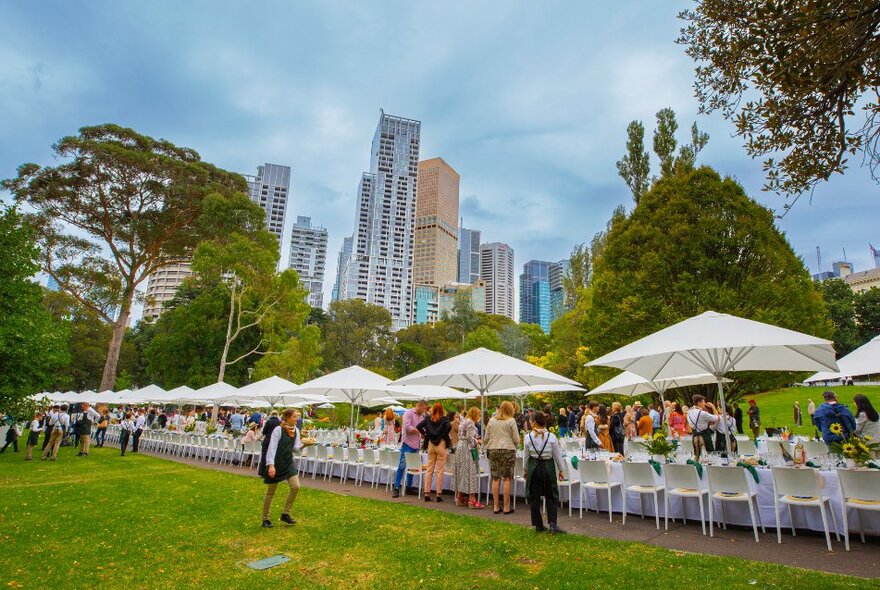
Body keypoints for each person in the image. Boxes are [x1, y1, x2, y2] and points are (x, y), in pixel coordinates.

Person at [260, 409, 304, 528]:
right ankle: (265, 519)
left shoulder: (297, 431)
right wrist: (271, 465)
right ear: (287, 417)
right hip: (276, 462)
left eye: (297, 417)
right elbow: (272, 448)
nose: (297, 419)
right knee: (270, 492)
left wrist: (305, 445)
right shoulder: (278, 430)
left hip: (288, 462)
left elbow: (295, 448)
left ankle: (285, 514)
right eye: (295, 417)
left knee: (296, 486)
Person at [524, 411, 566, 534]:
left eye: (531, 421)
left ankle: (538, 525)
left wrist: (525, 470)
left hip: (534, 468)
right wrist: (561, 470)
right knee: (551, 495)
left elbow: (526, 457)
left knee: (534, 497)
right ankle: (553, 524)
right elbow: (557, 456)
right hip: (548, 468)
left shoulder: (528, 437)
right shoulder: (552, 437)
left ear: (535, 422)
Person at [484, 401, 520, 514]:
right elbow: (517, 439)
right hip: (507, 449)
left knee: (495, 478)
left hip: (493, 449)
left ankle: (495, 506)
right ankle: (506, 507)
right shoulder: (511, 421)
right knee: (507, 478)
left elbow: (486, 438)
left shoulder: (492, 420)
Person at [417, 403, 452, 502]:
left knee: (429, 470)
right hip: (441, 444)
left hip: (431, 445)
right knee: (440, 471)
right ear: (441, 409)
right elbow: (449, 426)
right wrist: (443, 435)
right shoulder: (444, 419)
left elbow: (418, 426)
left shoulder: (428, 419)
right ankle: (438, 495)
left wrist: (426, 434)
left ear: (433, 409)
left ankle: (427, 493)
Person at [392, 401, 427, 498]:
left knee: (413, 467)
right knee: (402, 466)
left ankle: (409, 487)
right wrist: (420, 431)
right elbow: (407, 427)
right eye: (424, 408)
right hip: (407, 444)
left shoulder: (422, 416)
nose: (425, 411)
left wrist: (423, 433)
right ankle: (396, 487)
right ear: (419, 406)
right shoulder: (408, 413)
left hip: (416, 445)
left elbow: (422, 428)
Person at [453, 406, 484, 509]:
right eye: (478, 415)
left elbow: (459, 436)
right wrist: (477, 442)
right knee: (471, 472)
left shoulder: (463, 421)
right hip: (467, 448)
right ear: (475, 414)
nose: (479, 417)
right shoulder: (470, 422)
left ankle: (459, 497)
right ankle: (472, 499)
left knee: (462, 472)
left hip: (460, 447)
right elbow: (470, 438)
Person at [687, 395, 719, 461]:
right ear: (699, 403)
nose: (705, 403)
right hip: (705, 435)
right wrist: (713, 407)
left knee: (697, 456)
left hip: (695, 435)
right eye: (703, 401)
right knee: (711, 455)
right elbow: (717, 418)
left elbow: (691, 423)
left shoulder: (689, 412)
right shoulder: (702, 413)